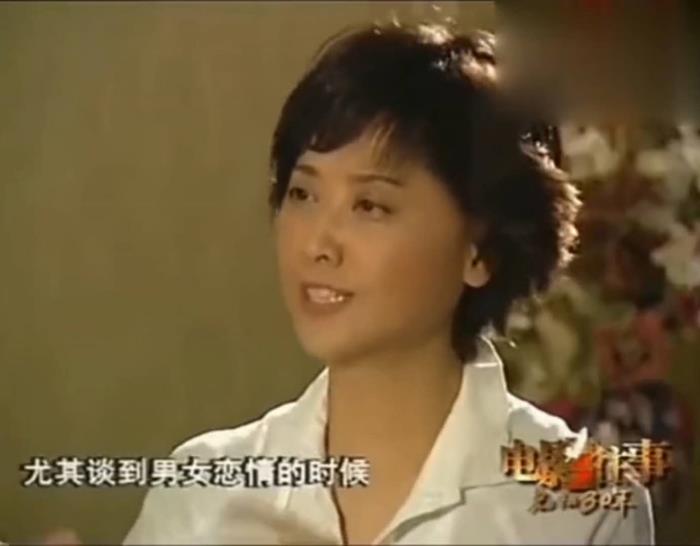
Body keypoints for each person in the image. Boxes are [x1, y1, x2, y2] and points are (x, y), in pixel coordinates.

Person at [122, 21, 655, 545]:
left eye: (370, 205)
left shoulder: (582, 504)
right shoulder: (204, 492)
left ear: (481, 250)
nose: (318, 245)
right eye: (303, 195)